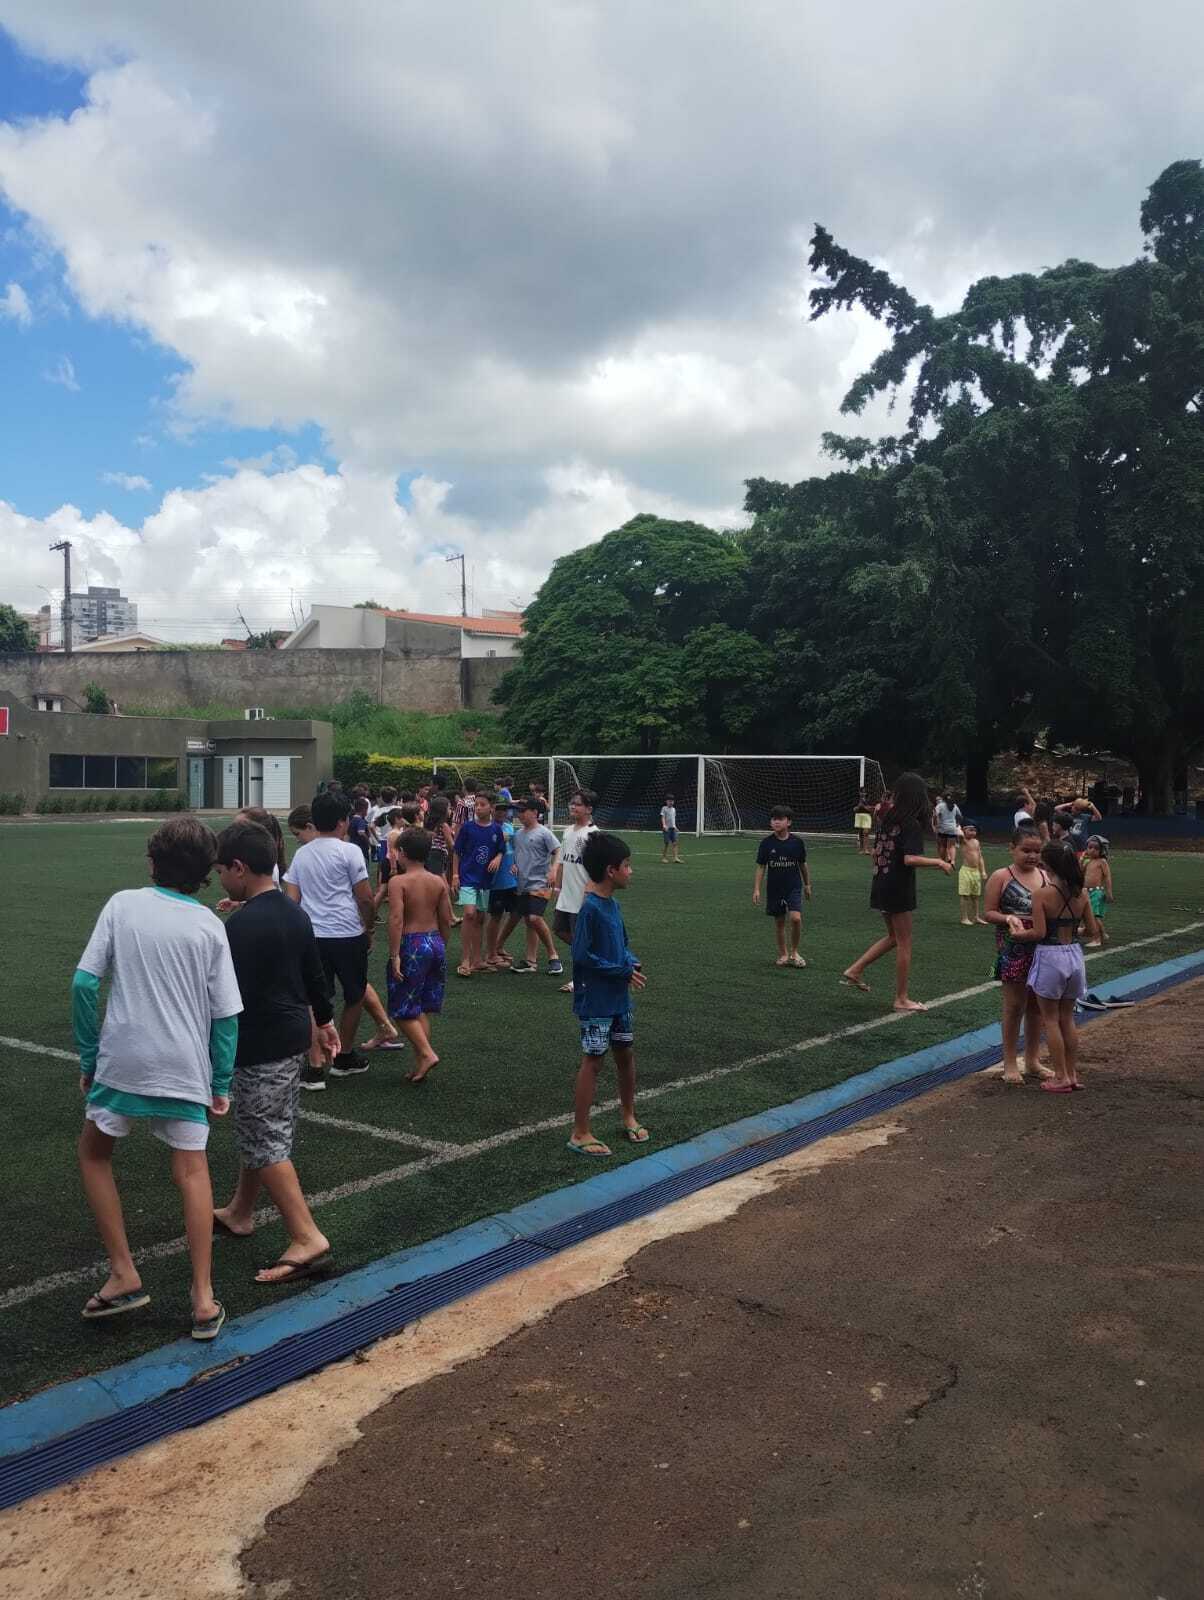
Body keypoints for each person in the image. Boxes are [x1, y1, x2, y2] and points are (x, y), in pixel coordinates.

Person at [71, 816, 242, 1340]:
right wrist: (221, 1082)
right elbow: (226, 1016)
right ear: (206, 873)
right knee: (192, 1171)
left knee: (94, 1153)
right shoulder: (210, 926)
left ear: (152, 862)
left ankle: (124, 1272)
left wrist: (88, 1058)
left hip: (122, 1062)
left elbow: (83, 984)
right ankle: (203, 1300)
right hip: (184, 1069)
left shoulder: (123, 905)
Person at [212, 821, 339, 1282]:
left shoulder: (240, 926)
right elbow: (315, 978)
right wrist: (324, 1023)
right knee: (262, 1128)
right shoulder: (293, 912)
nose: (220, 878)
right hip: (289, 1040)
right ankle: (241, 1210)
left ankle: (307, 1236)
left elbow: (224, 996)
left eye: (222, 869)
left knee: (265, 1138)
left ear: (240, 868)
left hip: (259, 1043)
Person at [283, 789, 377, 1081]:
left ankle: (315, 1066)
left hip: (312, 936)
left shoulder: (301, 854)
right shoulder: (350, 851)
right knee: (355, 994)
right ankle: (344, 1055)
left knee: (314, 999)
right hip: (347, 933)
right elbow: (364, 898)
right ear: (342, 822)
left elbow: (292, 901)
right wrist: (369, 927)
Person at [840, 771, 953, 1011]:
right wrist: (940, 862)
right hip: (898, 886)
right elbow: (910, 858)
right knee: (904, 942)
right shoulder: (910, 824)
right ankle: (901, 998)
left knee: (893, 937)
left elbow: (877, 853)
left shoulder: (888, 818)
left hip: (880, 881)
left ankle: (855, 969)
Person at [567, 831, 648, 1157]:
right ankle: (580, 1132)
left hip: (618, 998)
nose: (631, 871)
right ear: (611, 870)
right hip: (597, 999)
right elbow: (582, 955)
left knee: (625, 1055)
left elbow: (622, 946)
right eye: (627, 865)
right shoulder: (591, 909)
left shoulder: (612, 905)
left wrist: (630, 962)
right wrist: (621, 970)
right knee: (594, 1060)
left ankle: (628, 1114)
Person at [1006, 840, 1100, 1092]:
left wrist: (1016, 933)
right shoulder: (1082, 894)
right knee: (1067, 1018)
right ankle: (1071, 1073)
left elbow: (1038, 932)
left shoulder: (1042, 894)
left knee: (1050, 1018)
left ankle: (1060, 1076)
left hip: (1050, 956)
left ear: (1049, 865)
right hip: (1074, 956)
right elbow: (1091, 931)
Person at [982, 828, 1051, 1085]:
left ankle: (1032, 1060)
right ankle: (1010, 1061)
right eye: (1026, 850)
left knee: (1037, 1006)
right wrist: (1008, 917)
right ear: (1012, 848)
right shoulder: (1002, 876)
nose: (1032, 856)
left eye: (1037, 851)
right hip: (1012, 947)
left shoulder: (1045, 876)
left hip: (1042, 946)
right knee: (1013, 1006)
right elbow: (988, 912)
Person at [387, 827, 453, 1082]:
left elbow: (395, 919)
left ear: (402, 853)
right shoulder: (437, 881)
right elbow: (446, 918)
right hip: (434, 941)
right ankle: (420, 1062)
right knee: (421, 1007)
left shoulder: (398, 882)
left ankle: (426, 1054)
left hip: (411, 944)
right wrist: (441, 945)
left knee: (402, 1007)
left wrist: (395, 955)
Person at [505, 796, 563, 975]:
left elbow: (558, 850)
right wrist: (514, 864)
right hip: (523, 885)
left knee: (534, 918)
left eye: (523, 811)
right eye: (518, 811)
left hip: (541, 883)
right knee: (530, 922)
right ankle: (531, 961)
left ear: (535, 813)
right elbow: (518, 853)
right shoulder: (518, 834)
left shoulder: (543, 832)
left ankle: (554, 957)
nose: (519, 814)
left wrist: (553, 870)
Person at [452, 789, 505, 977]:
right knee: (469, 914)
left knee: (480, 918)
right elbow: (457, 852)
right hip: (468, 877)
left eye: (482, 805)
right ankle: (465, 959)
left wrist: (498, 858)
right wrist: (455, 876)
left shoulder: (496, 829)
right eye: (477, 805)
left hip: (485, 881)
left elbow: (501, 849)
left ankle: (477, 960)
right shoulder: (467, 828)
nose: (478, 808)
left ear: (491, 807)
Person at [752, 805, 811, 968]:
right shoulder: (766, 843)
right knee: (779, 922)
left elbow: (803, 865)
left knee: (796, 918)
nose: (776, 822)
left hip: (793, 886)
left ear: (789, 822)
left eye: (780, 819)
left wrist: (807, 884)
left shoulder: (797, 843)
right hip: (774, 888)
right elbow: (761, 866)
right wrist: (757, 888)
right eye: (773, 819)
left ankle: (795, 952)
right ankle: (784, 954)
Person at [553, 789, 599, 994]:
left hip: (582, 896)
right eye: (572, 803)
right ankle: (592, 957)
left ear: (589, 809)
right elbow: (563, 862)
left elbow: (598, 866)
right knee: (560, 930)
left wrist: (590, 891)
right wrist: (557, 886)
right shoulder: (567, 831)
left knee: (579, 938)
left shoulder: (593, 835)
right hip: (566, 895)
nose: (573, 807)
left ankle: (580, 978)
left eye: (578, 804)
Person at [485, 796, 520, 968]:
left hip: (511, 878)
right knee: (496, 916)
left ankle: (498, 945)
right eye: (498, 809)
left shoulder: (508, 826)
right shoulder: (487, 827)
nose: (501, 812)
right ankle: (491, 953)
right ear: (491, 809)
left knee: (516, 912)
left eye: (504, 809)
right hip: (495, 880)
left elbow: (513, 848)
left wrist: (515, 864)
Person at [1082, 836, 1114, 947]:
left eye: (1095, 848)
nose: (1091, 850)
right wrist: (1082, 860)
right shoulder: (1087, 861)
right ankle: (1101, 933)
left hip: (1096, 892)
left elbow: (1107, 877)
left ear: (1102, 850)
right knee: (1089, 916)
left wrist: (1109, 892)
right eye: (1089, 847)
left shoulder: (1102, 862)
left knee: (1094, 916)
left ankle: (1097, 939)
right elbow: (1080, 873)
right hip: (1087, 892)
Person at [956, 822, 989, 926]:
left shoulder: (976, 842)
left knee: (975, 896)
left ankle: (976, 917)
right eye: (970, 830)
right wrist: (959, 827)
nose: (973, 832)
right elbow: (959, 834)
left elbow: (980, 857)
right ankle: (964, 918)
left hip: (976, 872)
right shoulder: (963, 841)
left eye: (974, 830)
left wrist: (983, 871)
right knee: (964, 895)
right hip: (966, 871)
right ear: (964, 830)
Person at [933, 792, 963, 863]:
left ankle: (942, 862)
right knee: (952, 846)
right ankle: (952, 861)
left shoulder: (940, 806)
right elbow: (960, 816)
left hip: (943, 828)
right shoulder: (954, 805)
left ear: (943, 798)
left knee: (943, 846)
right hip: (952, 828)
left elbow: (935, 815)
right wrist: (957, 824)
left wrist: (935, 824)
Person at [348, 796, 374, 868]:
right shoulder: (361, 821)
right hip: (362, 849)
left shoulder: (351, 820)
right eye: (367, 809)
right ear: (363, 809)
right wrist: (369, 843)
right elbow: (361, 832)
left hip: (352, 847)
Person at [660, 794, 684, 863]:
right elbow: (663, 817)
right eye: (669, 801)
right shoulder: (664, 808)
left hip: (673, 829)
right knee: (666, 843)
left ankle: (675, 858)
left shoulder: (674, 809)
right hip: (667, 829)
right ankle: (664, 858)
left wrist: (675, 827)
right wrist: (664, 825)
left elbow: (673, 819)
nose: (671, 802)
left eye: (672, 801)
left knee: (675, 843)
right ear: (666, 801)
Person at [853, 789, 873, 855]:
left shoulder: (869, 799)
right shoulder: (857, 800)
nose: (863, 793)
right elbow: (854, 809)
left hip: (866, 816)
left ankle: (866, 849)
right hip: (859, 816)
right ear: (859, 793)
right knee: (861, 833)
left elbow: (872, 808)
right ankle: (861, 849)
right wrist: (859, 806)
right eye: (861, 792)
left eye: (864, 792)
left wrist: (864, 806)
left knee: (866, 833)